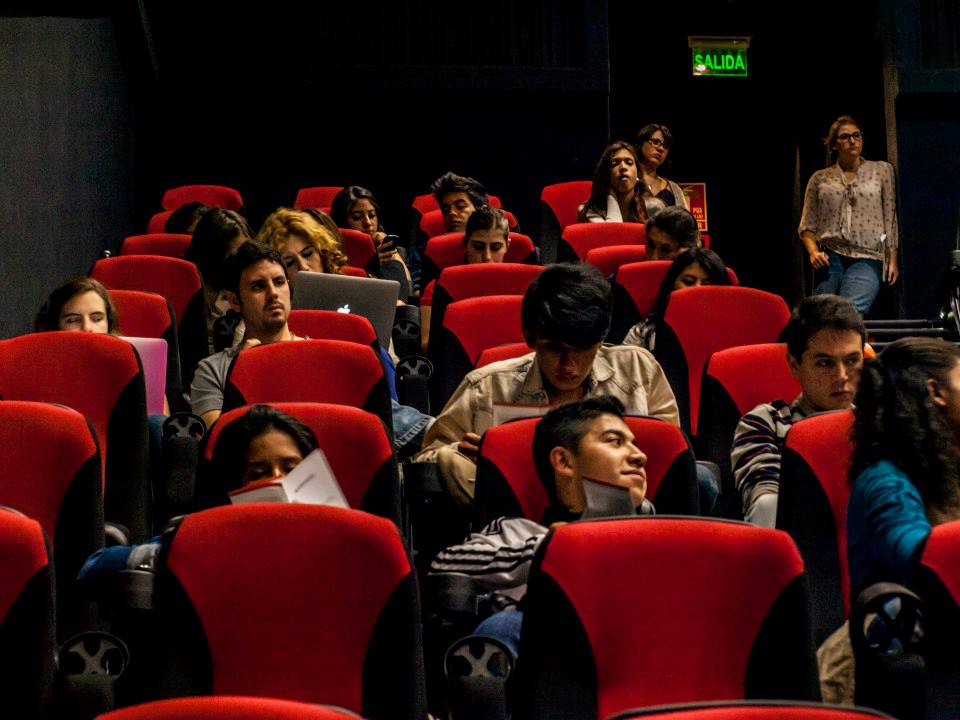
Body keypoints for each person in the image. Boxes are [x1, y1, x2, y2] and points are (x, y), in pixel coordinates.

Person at [416, 262, 678, 505]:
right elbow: (426, 462)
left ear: (600, 341)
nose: (569, 365)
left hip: (621, 518)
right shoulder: (485, 387)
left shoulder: (638, 370)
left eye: (582, 349)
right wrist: (472, 457)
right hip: (516, 519)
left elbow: (671, 457)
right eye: (554, 349)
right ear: (529, 338)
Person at [429, 396, 648, 653]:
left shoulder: (668, 536)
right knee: (505, 625)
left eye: (634, 444)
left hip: (648, 642)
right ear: (563, 461)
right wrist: (552, 549)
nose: (640, 456)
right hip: (552, 652)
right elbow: (444, 564)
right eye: (615, 442)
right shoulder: (517, 533)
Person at [77, 404, 318, 585]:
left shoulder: (338, 532)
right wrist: (178, 552)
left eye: (290, 469)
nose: (278, 480)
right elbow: (94, 567)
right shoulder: (206, 536)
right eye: (258, 473)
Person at [732, 294, 866, 527]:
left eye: (852, 361)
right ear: (794, 365)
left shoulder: (881, 423)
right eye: (825, 363)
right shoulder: (765, 423)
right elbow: (766, 504)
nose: (842, 376)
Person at [848, 337, 960, 596]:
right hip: (909, 618)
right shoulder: (885, 481)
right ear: (936, 393)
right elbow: (926, 564)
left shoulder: (950, 463)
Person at [190, 242, 305, 429]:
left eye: (279, 282)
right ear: (235, 301)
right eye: (258, 286)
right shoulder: (212, 370)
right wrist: (242, 372)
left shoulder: (320, 355)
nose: (273, 293)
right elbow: (217, 440)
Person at [799, 115, 899, 315]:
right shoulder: (820, 178)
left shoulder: (881, 170)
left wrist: (892, 258)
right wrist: (813, 253)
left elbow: (890, 217)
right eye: (845, 137)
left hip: (867, 254)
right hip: (831, 254)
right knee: (822, 313)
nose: (852, 141)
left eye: (856, 135)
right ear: (834, 144)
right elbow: (807, 226)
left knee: (850, 311)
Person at [419, 206, 512, 351]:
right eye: (478, 247)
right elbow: (427, 347)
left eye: (495, 248)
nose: (487, 256)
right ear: (465, 245)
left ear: (507, 246)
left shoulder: (520, 286)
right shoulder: (440, 286)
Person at [622, 247, 731, 350]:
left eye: (706, 285)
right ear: (672, 284)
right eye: (688, 281)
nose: (696, 289)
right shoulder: (644, 331)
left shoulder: (731, 331)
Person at [183, 208, 255, 353]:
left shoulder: (254, 287)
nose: (242, 262)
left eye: (246, 252)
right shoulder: (191, 292)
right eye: (233, 257)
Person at [330, 185, 411, 296]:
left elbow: (409, 288)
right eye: (357, 217)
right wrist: (372, 266)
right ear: (342, 220)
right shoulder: (332, 251)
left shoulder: (388, 249)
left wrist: (388, 248)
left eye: (372, 215)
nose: (368, 223)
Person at [256, 207, 347, 284]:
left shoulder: (347, 288)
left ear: (323, 253)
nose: (303, 267)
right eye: (289, 263)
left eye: (307, 254)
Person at [577, 141, 647, 224]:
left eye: (629, 162)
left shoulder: (651, 207)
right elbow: (614, 230)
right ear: (606, 174)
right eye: (615, 163)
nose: (623, 167)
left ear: (637, 173)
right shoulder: (590, 210)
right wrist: (611, 197)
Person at [636, 123, 689, 216]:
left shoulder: (674, 189)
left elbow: (685, 221)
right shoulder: (628, 181)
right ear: (641, 143)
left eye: (665, 146)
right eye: (656, 142)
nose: (661, 149)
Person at [35, 277, 120, 334]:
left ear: (109, 323)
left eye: (97, 319)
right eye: (73, 320)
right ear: (55, 326)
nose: (87, 328)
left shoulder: (123, 355)